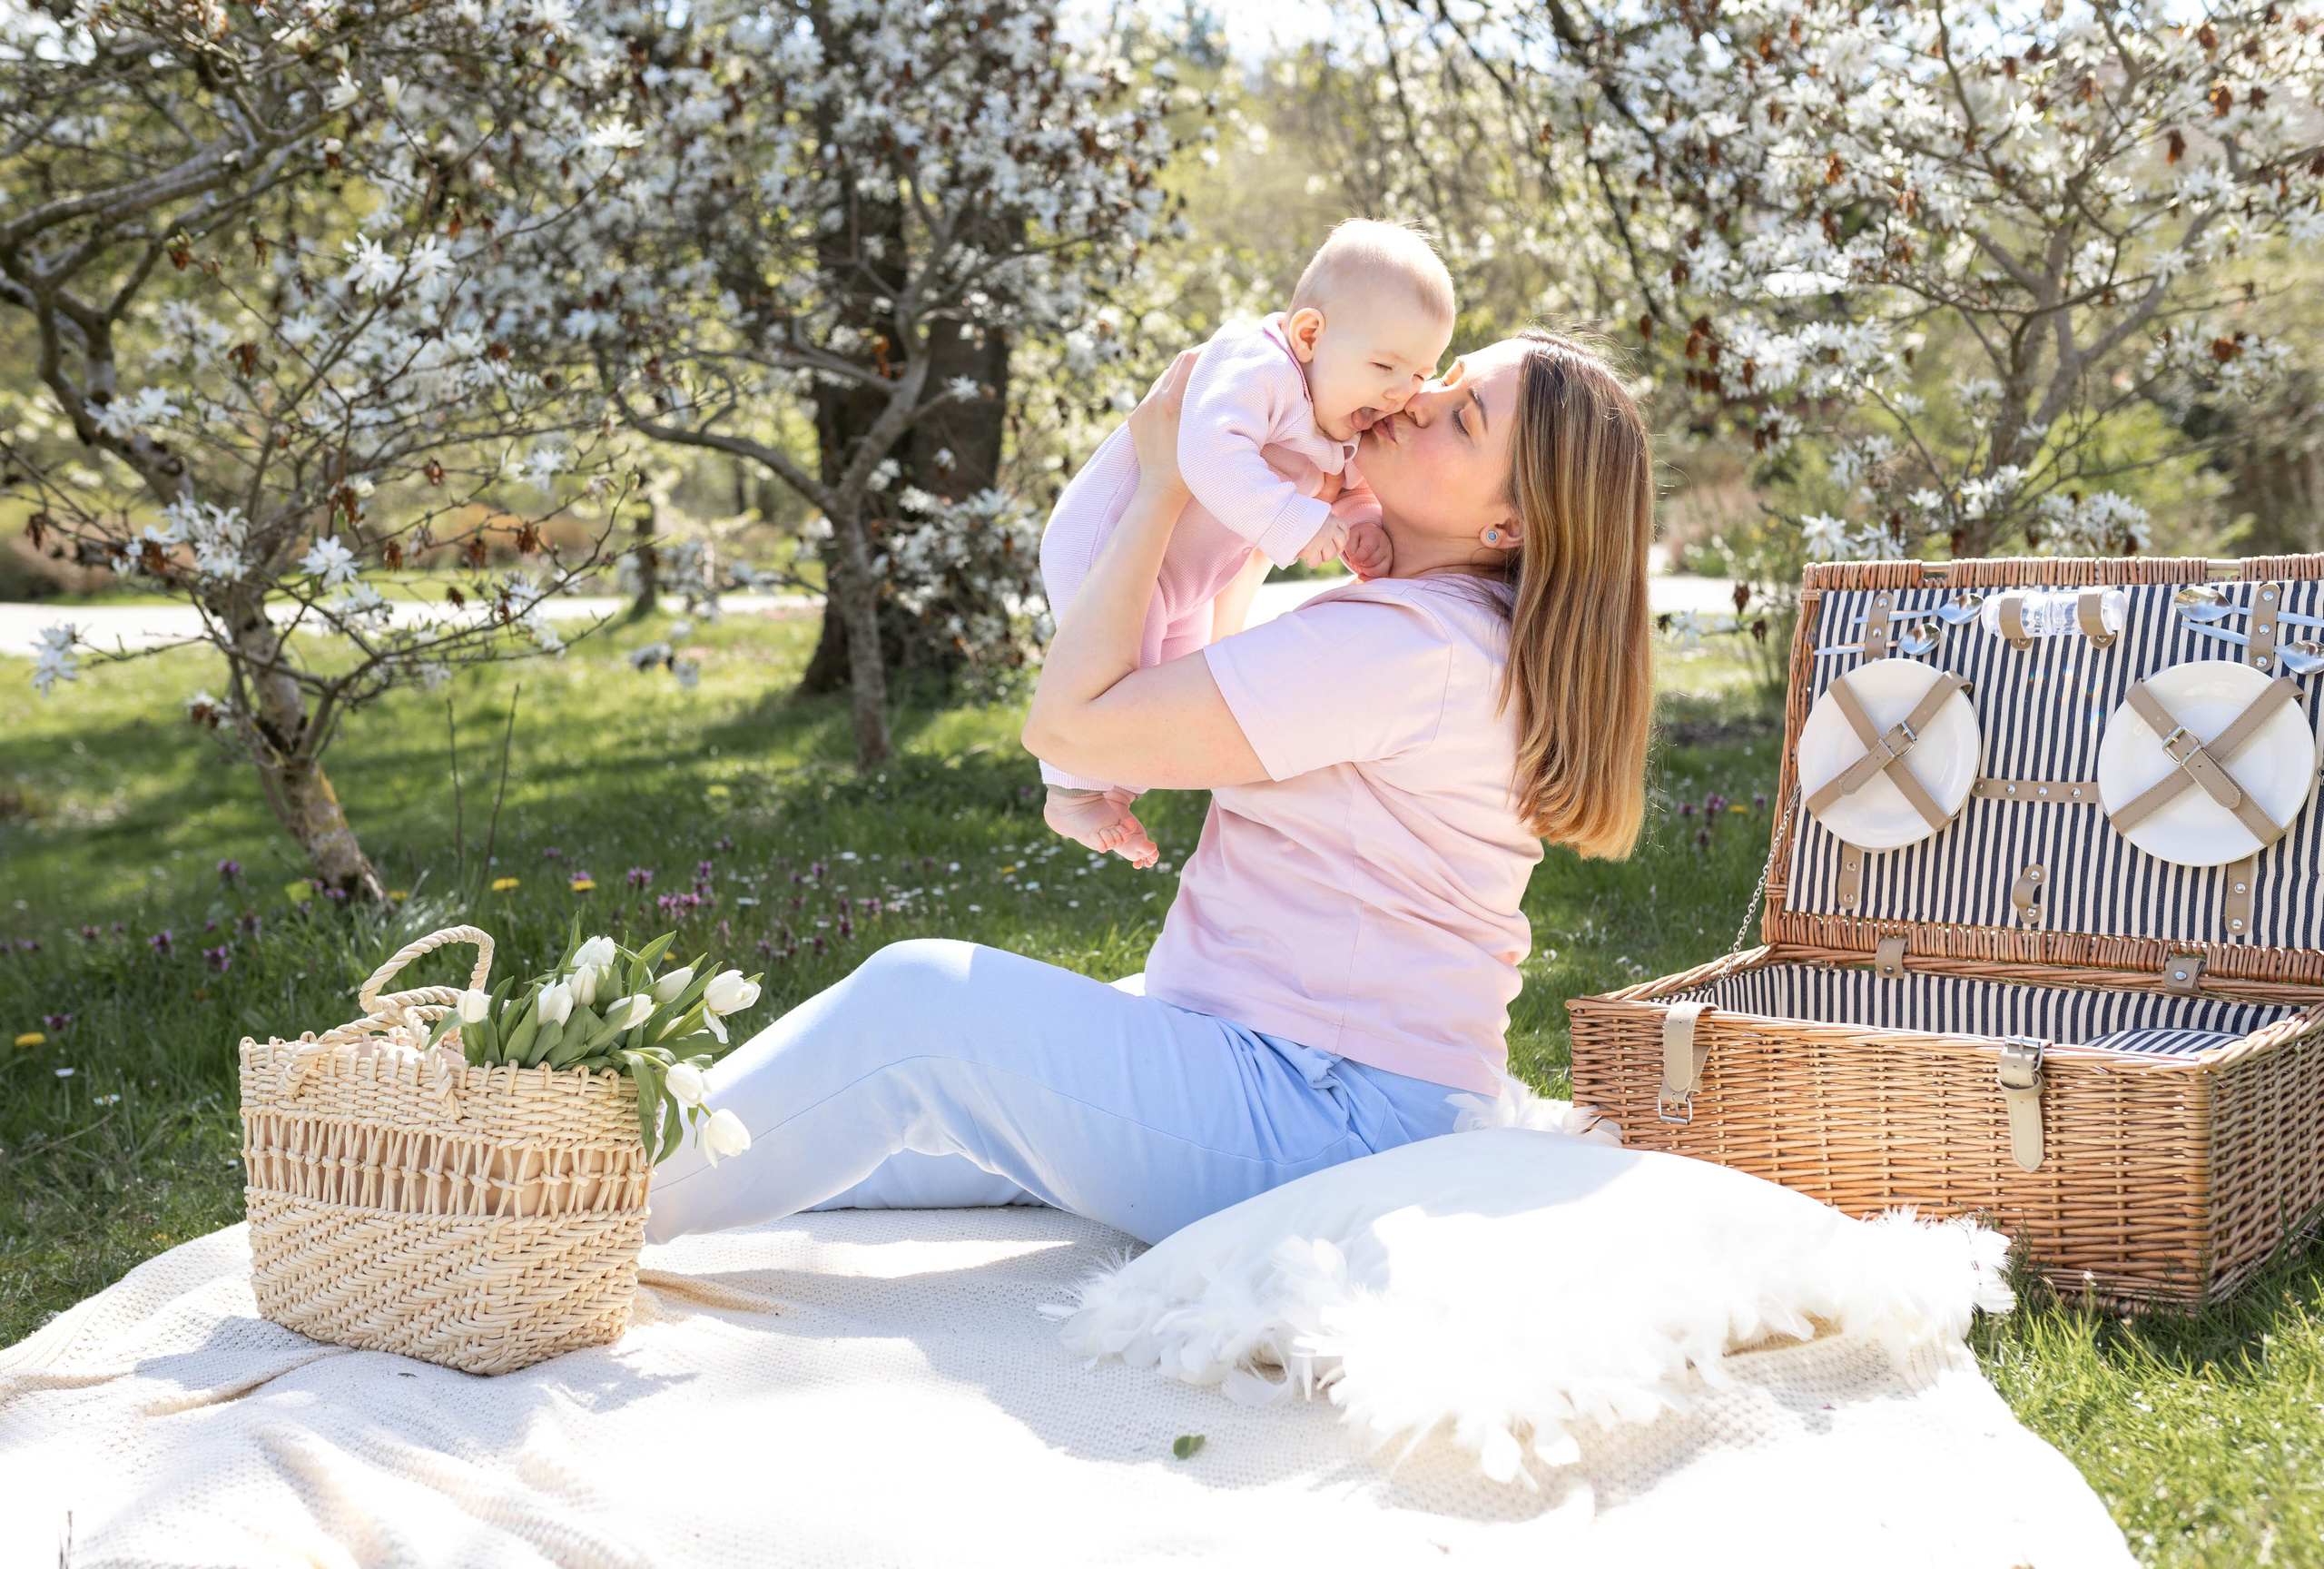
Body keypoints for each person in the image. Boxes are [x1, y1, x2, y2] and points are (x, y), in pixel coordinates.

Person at [640, 330, 1654, 1248]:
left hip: (1327, 1118)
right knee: (850, 1110)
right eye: (1444, 375)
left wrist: (1169, 482)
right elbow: (1215, 686)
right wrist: (1274, 499)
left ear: (1510, 527)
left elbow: (1070, 723)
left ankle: (552, 1200)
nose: (1416, 397)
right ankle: (605, 1140)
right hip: (1295, 1070)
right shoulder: (1438, 622)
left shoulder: (1409, 649)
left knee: (918, 1011)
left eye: (1459, 416)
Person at [1038, 220, 1456, 866]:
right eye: (1384, 366)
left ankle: (1113, 788)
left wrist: (1363, 530)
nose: (1399, 393)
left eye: (1419, 375)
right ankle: (1069, 791)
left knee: (1160, 690)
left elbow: (1349, 497)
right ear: (1310, 335)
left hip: (1180, 579)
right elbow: (1206, 452)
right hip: (1108, 542)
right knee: (1115, 680)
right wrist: (1296, 522)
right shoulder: (1259, 364)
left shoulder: (1341, 415)